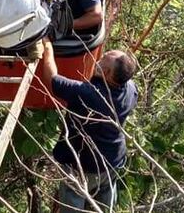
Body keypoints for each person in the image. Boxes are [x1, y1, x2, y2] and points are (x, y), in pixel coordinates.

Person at [41, 49, 139, 213]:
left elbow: (52, 80)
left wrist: (48, 47)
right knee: (103, 208)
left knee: (73, 202)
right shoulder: (130, 89)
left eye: (103, 60)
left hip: (82, 166)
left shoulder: (89, 94)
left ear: (106, 73)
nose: (98, 59)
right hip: (112, 162)